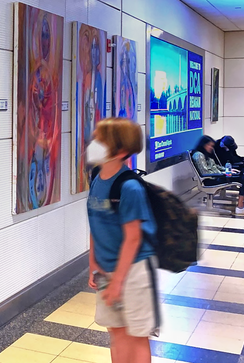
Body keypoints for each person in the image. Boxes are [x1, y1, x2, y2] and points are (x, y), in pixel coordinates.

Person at [87, 118, 158, 363]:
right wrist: (93, 264)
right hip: (107, 271)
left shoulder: (129, 187)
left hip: (134, 271)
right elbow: (96, 223)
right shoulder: (97, 176)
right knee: (115, 332)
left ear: (121, 151)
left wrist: (118, 281)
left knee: (136, 335)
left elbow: (133, 239)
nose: (93, 143)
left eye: (100, 139)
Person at [193, 135, 244, 216]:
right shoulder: (199, 155)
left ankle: (241, 205)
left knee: (242, 176)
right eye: (209, 145)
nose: (211, 148)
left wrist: (227, 170)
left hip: (217, 176)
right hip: (211, 180)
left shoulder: (206, 155)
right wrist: (223, 173)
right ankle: (240, 207)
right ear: (203, 145)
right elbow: (205, 173)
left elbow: (216, 166)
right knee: (242, 179)